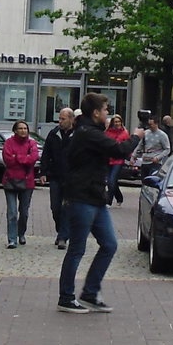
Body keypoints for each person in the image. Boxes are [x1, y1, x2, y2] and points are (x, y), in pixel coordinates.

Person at [58, 93, 140, 314]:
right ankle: (66, 297)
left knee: (109, 244)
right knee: (77, 249)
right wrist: (136, 136)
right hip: (81, 197)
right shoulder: (88, 133)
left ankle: (90, 293)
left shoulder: (91, 132)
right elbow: (119, 150)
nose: (108, 113)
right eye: (105, 109)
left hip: (95, 197)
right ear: (95, 113)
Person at [38, 108, 75, 248]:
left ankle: (62, 237)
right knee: (55, 208)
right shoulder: (53, 134)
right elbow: (46, 154)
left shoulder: (77, 135)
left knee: (66, 207)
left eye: (63, 119)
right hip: (55, 176)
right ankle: (61, 231)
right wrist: (43, 172)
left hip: (71, 178)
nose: (60, 121)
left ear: (71, 119)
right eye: (59, 118)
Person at [1, 121, 41, 248]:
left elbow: (33, 158)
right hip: (10, 181)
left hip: (27, 182)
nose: (23, 131)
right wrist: (24, 158)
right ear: (15, 130)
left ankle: (21, 233)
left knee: (24, 212)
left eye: (25, 128)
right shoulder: (9, 143)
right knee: (12, 212)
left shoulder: (32, 143)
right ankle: (12, 239)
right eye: (20, 128)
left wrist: (17, 157)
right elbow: (8, 160)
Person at [104, 114, 131, 204]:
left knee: (111, 180)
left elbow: (128, 145)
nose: (117, 123)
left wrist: (130, 157)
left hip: (118, 160)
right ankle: (119, 197)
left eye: (119, 121)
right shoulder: (107, 132)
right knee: (111, 181)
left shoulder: (125, 133)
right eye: (115, 122)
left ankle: (109, 201)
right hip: (108, 159)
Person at [134, 114, 170, 180]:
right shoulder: (145, 133)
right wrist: (134, 156)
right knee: (144, 180)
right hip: (145, 161)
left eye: (151, 124)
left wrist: (158, 157)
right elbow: (140, 145)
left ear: (156, 124)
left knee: (152, 180)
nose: (149, 126)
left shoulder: (162, 135)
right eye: (149, 124)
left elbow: (167, 149)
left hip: (155, 163)